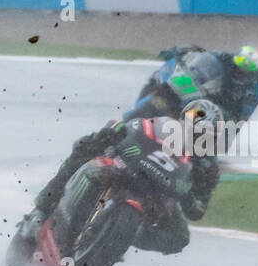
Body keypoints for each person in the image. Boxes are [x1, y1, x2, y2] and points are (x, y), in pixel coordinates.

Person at [21, 99, 224, 256]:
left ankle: (120, 238)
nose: (196, 134)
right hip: (128, 165)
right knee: (86, 149)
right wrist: (117, 132)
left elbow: (197, 210)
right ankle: (43, 206)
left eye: (204, 132)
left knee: (179, 237)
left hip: (158, 195)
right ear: (184, 120)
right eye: (194, 127)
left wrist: (194, 192)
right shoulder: (164, 125)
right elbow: (134, 125)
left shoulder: (208, 166)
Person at [126, 44, 258, 123]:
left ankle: (201, 151)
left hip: (224, 107)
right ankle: (133, 118)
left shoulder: (253, 88)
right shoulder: (226, 59)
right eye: (238, 67)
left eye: (244, 71)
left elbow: (244, 115)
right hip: (195, 92)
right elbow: (204, 56)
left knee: (212, 121)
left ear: (250, 73)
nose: (239, 72)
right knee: (157, 87)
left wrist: (229, 124)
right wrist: (181, 52)